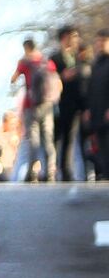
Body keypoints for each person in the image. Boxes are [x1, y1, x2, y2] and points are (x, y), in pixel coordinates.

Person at [12, 38, 58, 182]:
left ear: (26, 47)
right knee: (48, 138)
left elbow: (13, 79)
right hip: (47, 105)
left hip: (30, 105)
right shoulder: (47, 62)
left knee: (33, 139)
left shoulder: (24, 62)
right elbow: (57, 82)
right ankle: (49, 171)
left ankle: (31, 172)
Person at [51, 26, 85, 180]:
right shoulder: (55, 57)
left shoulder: (77, 57)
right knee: (59, 136)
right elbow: (54, 77)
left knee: (72, 138)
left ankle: (70, 169)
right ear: (65, 37)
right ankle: (59, 168)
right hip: (60, 104)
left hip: (75, 104)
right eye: (73, 36)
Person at [88, 30, 109, 181]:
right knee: (102, 149)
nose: (100, 45)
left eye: (104, 41)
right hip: (98, 114)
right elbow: (92, 89)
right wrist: (89, 109)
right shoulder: (95, 65)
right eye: (98, 41)